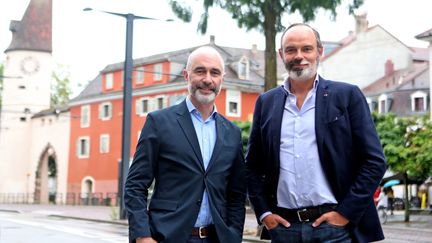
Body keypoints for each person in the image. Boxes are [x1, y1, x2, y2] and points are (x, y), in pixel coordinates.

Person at [245, 23, 387, 243]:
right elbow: (251, 167)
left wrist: (345, 213)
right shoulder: (266, 103)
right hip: (284, 228)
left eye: (307, 49)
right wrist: (264, 213)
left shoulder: (347, 96)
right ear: (281, 54)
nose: (299, 56)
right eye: (291, 50)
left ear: (319, 52)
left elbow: (374, 161)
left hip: (334, 229)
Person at [124, 46, 246, 243]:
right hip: (168, 237)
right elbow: (134, 185)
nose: (207, 79)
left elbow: (237, 195)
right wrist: (143, 236)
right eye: (200, 71)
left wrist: (233, 237)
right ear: (186, 75)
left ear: (221, 79)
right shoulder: (159, 122)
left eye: (214, 72)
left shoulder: (232, 133)